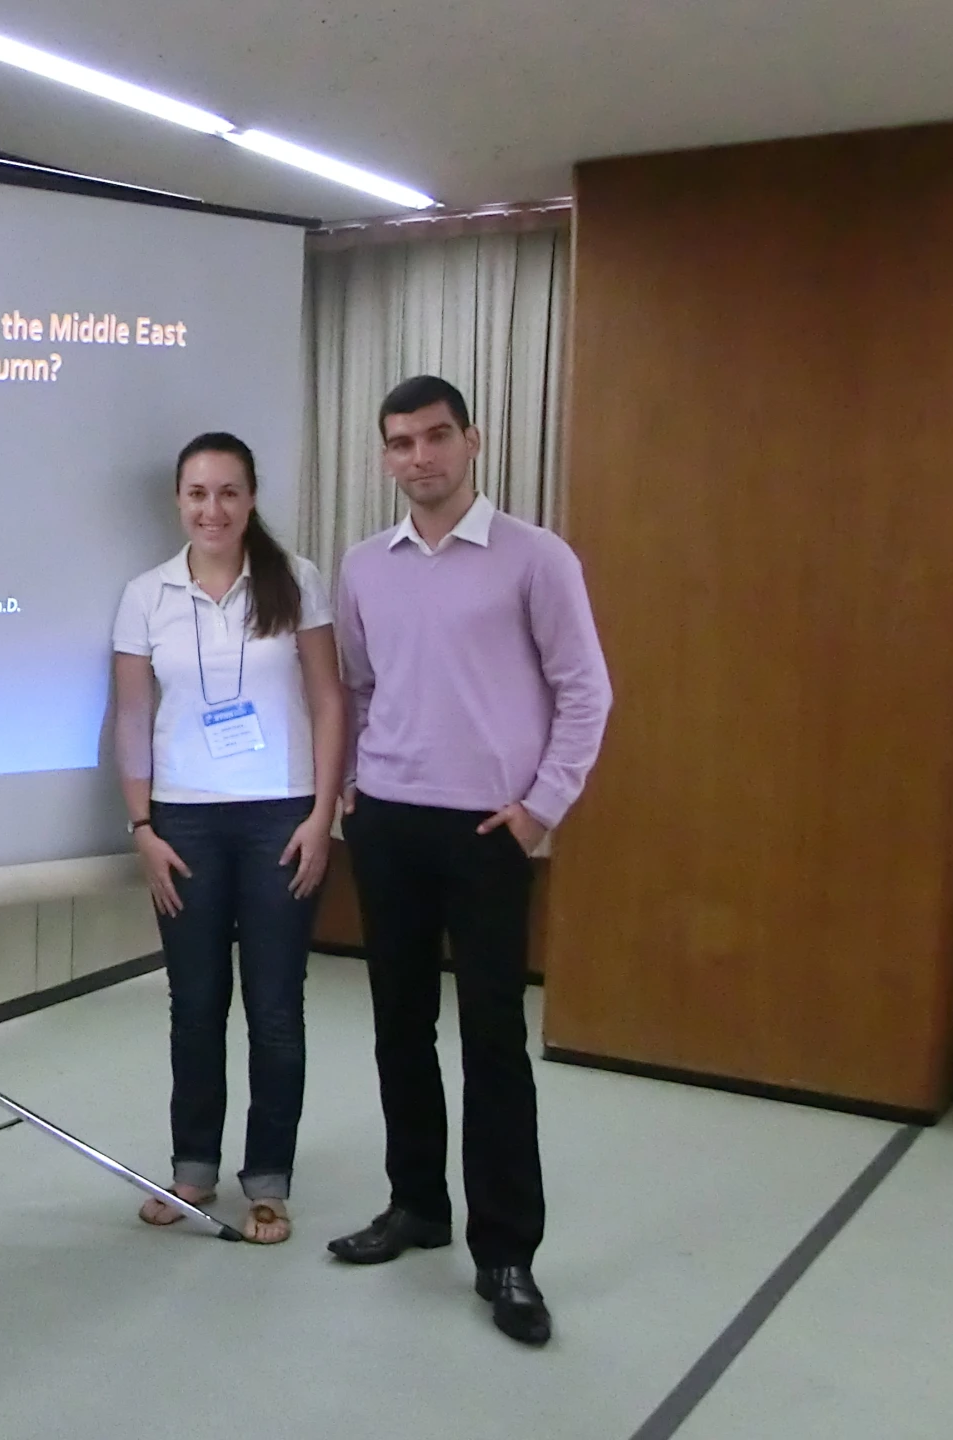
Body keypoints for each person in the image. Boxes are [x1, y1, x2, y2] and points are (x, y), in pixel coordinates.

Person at [328, 374, 612, 1346]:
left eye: (436, 437)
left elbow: (587, 694)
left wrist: (541, 810)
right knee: (397, 1028)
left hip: (492, 833)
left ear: (472, 441)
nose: (420, 457)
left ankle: (507, 1254)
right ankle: (416, 1206)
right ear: (384, 455)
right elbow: (357, 687)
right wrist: (353, 790)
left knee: (493, 1043)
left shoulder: (535, 559)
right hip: (388, 826)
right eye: (400, 442)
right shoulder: (364, 567)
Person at [112, 432, 343, 1246]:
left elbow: (328, 700)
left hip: (282, 815)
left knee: (276, 1010)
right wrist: (140, 825)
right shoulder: (146, 595)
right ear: (179, 501)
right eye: (197, 494)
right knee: (196, 1008)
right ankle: (192, 1173)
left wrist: (323, 815)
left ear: (251, 498)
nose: (212, 509)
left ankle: (269, 1182)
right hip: (185, 824)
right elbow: (133, 716)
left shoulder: (296, 583)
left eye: (228, 493)